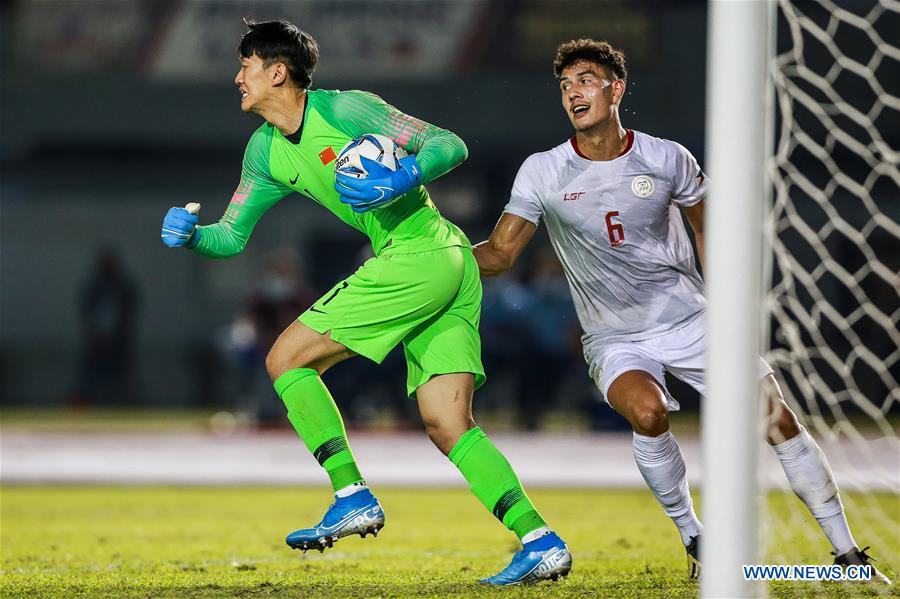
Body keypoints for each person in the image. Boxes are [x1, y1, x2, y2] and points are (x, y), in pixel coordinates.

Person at [159, 18, 570, 585]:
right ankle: (540, 539)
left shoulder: (347, 110)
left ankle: (351, 494)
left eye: (246, 66)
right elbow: (230, 236)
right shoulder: (265, 152)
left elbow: (450, 146)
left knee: (285, 360)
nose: (237, 78)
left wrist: (402, 177)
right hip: (448, 265)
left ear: (277, 72)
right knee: (448, 422)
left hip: (419, 254)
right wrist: (192, 236)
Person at [473, 38, 890, 584]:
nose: (573, 92)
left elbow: (705, 224)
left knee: (777, 418)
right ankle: (696, 536)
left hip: (692, 318)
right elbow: (501, 254)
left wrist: (728, 301)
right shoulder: (544, 171)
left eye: (585, 80)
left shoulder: (666, 158)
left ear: (616, 89)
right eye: (565, 85)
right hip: (615, 337)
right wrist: (436, 249)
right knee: (648, 414)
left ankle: (847, 555)